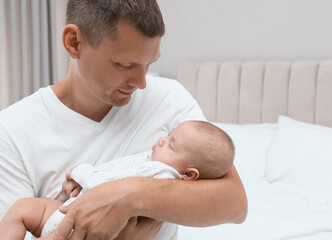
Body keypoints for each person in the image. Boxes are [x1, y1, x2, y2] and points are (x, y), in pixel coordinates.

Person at [0, 0, 247, 239]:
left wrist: (128, 195)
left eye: (149, 64)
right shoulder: (12, 130)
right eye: (125, 64)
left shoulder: (170, 98)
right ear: (74, 43)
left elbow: (234, 204)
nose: (141, 83)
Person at [0, 120, 235, 239]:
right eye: (169, 134)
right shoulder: (153, 160)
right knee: (23, 207)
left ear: (188, 174)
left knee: (25, 211)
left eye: (172, 145)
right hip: (69, 208)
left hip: (78, 227)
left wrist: (79, 171)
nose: (163, 140)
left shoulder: (163, 176)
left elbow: (104, 186)